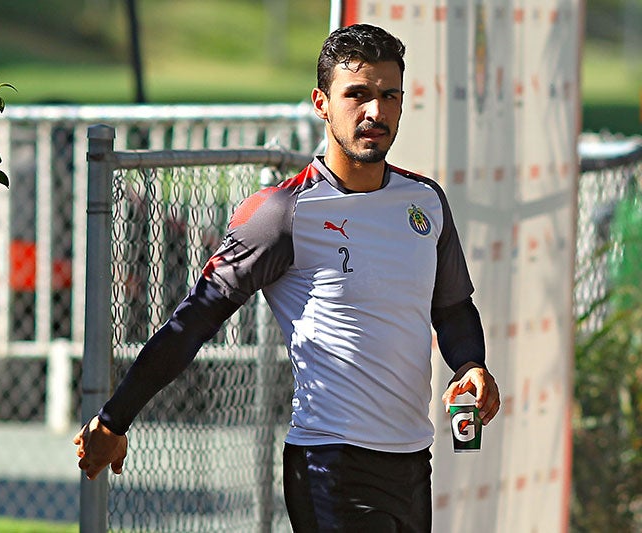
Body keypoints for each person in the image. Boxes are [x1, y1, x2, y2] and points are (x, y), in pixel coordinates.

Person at [74, 23, 500, 532]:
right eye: (357, 95)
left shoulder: (424, 201)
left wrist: (470, 364)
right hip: (330, 465)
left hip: (412, 460)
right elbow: (194, 319)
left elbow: (450, 307)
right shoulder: (283, 213)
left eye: (390, 96)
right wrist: (115, 418)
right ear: (322, 103)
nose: (375, 113)